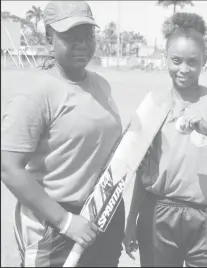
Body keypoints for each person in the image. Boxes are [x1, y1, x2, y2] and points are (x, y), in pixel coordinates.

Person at [122, 12, 207, 267]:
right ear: (165, 59)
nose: (184, 69)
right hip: (159, 212)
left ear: (204, 60)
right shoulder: (154, 107)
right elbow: (142, 173)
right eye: (176, 60)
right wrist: (131, 222)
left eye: (192, 61)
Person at [1, 1, 125, 266]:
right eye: (70, 36)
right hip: (54, 222)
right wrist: (64, 221)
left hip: (103, 214)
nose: (81, 44)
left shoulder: (101, 84)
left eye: (87, 36)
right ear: (49, 39)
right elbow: (8, 167)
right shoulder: (35, 94)